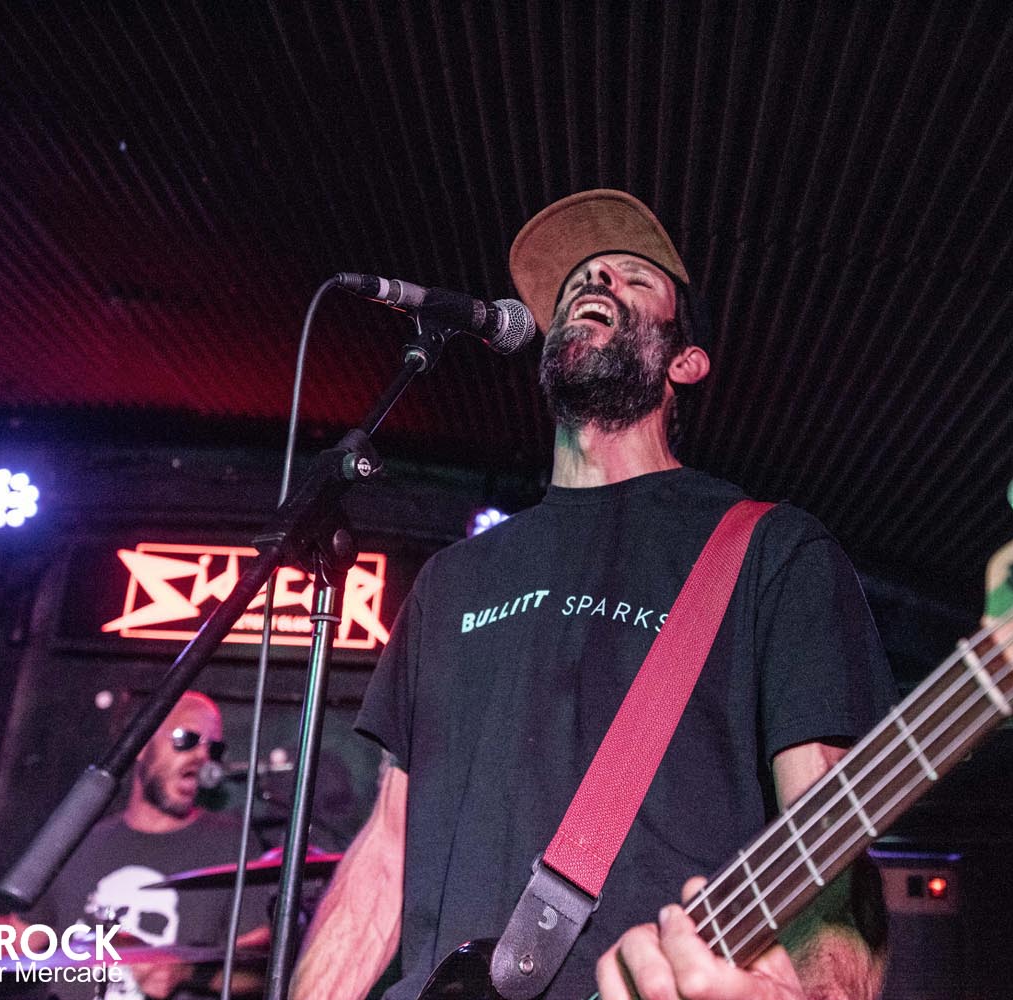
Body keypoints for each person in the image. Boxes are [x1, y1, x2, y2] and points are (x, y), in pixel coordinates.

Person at [289, 189, 898, 1000]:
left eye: (633, 277)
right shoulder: (452, 580)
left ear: (685, 362)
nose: (595, 278)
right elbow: (386, 850)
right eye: (581, 276)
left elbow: (831, 848)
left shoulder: (769, 551)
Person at [0, 691, 271, 999]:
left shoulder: (231, 845)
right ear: (140, 743)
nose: (202, 758)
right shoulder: (83, 839)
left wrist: (187, 971)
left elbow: (262, 968)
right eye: (186, 740)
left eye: (213, 749)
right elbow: (22, 939)